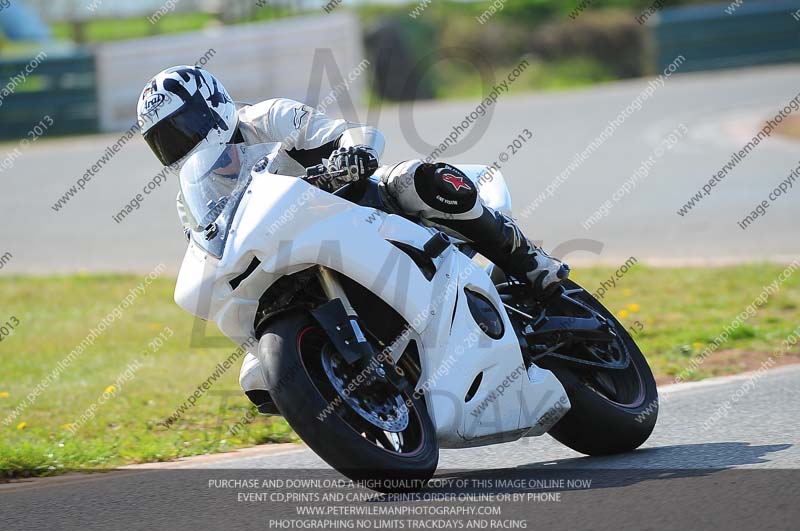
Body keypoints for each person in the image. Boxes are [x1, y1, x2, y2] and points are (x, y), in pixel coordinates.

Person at [137, 65, 569, 413]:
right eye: (164, 141)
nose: (181, 144)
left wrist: (352, 152)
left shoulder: (267, 117)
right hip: (292, 257)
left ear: (212, 104)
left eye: (183, 126)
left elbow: (348, 131)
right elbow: (209, 242)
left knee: (421, 180)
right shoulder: (190, 196)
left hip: (356, 204)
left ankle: (533, 266)